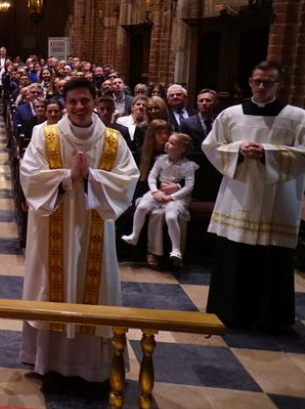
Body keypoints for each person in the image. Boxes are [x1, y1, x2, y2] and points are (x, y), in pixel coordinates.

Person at [19, 76, 139, 383]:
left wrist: (91, 177)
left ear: (95, 101)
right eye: (72, 101)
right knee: (51, 287)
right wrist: (68, 178)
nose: (79, 107)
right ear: (64, 104)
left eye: (85, 100)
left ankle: (92, 367)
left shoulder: (112, 139)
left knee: (95, 289)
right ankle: (48, 361)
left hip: (94, 229)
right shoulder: (44, 134)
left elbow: (128, 179)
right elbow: (29, 175)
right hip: (52, 228)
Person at [203, 61, 305, 332]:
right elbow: (211, 146)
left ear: (279, 85)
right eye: (257, 81)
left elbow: (303, 154)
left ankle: (271, 319)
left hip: (278, 198)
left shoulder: (296, 117)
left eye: (268, 82)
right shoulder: (230, 115)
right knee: (234, 254)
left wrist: (267, 153)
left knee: (273, 258)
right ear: (250, 82)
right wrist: (237, 149)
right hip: (239, 195)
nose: (261, 87)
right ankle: (227, 312)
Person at [122, 133, 198, 269]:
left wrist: (171, 197)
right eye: (168, 141)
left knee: (171, 216)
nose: (167, 144)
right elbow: (152, 177)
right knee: (142, 207)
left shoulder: (187, 165)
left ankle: (176, 249)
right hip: (160, 192)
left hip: (177, 197)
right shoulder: (161, 160)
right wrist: (155, 191)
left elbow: (189, 186)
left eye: (172, 143)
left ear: (181, 149)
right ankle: (134, 235)